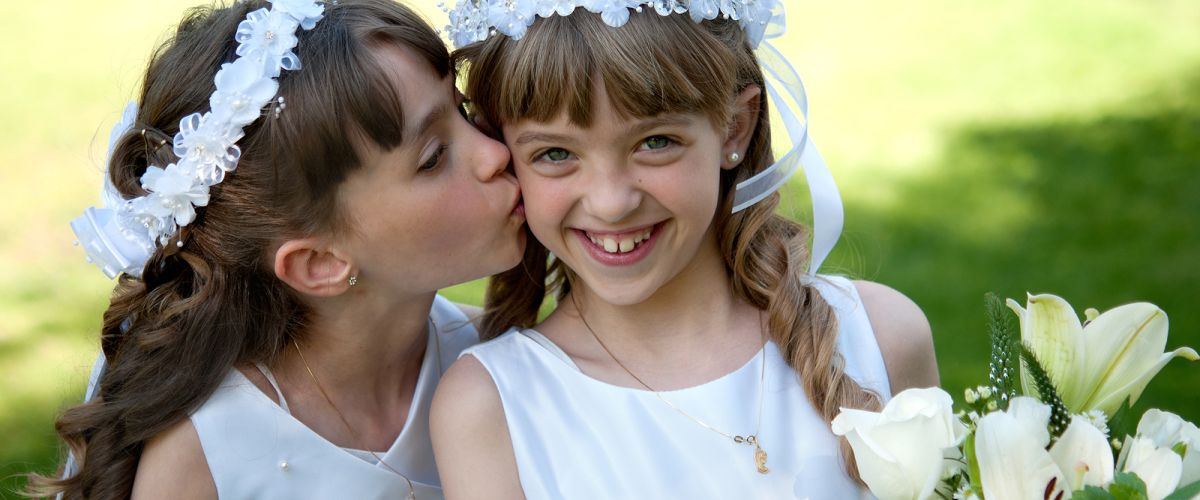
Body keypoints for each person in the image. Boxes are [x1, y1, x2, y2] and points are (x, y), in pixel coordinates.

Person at [430, 1, 940, 498]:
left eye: (655, 142)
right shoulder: (490, 410)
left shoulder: (880, 337)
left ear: (734, 127)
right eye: (556, 153)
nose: (611, 203)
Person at [33, 0, 524, 498]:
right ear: (320, 263)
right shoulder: (203, 458)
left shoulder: (502, 358)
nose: (497, 152)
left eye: (462, 110)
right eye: (434, 157)